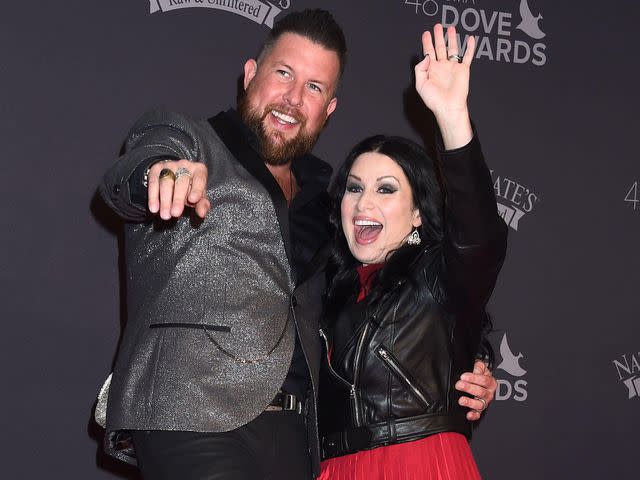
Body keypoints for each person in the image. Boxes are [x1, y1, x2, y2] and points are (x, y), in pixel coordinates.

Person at [96, 9, 497, 480]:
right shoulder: (190, 141)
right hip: (191, 409)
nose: (292, 98)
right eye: (283, 73)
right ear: (250, 75)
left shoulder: (326, 204)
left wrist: (470, 354)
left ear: (329, 109)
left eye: (314, 87)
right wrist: (160, 176)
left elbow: (426, 290)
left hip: (300, 440)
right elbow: (130, 173)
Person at [315, 24, 508, 479]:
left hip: (419, 464)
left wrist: (452, 117)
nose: (364, 203)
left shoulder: (439, 278)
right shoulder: (323, 291)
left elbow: (480, 236)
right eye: (354, 188)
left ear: (418, 213)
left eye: (386, 190)